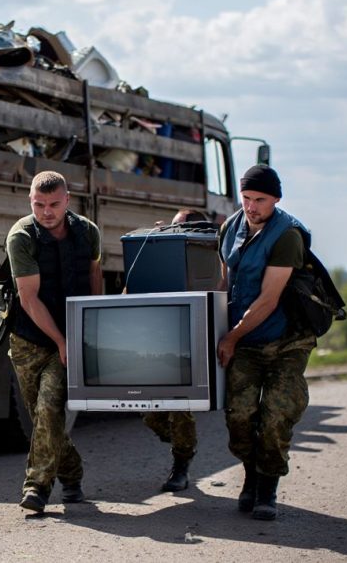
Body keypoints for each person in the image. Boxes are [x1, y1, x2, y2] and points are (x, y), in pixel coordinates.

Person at [217, 165, 316, 521]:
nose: (252, 206)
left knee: (276, 416)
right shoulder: (230, 228)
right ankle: (251, 473)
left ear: (276, 199)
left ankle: (267, 487)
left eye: (260, 199)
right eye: (246, 198)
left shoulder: (286, 235)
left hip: (285, 340)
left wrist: (231, 336)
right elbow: (225, 284)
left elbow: (268, 299)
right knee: (240, 417)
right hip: (247, 340)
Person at [5, 170, 104, 513]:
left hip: (70, 337)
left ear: (67, 201)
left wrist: (89, 334)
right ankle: (73, 475)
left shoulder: (87, 232)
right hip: (30, 339)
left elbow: (94, 276)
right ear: (29, 201)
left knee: (49, 407)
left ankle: (37, 488)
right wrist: (61, 341)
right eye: (38, 204)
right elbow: (29, 298)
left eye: (53, 204)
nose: (46, 212)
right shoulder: (21, 236)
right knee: (43, 419)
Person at [141, 208, 208, 492]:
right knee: (151, 414)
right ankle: (185, 443)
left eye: (179, 229)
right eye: (172, 228)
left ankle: (181, 465)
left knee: (180, 408)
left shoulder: (206, 260)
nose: (174, 233)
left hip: (192, 346)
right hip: (161, 347)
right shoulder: (160, 256)